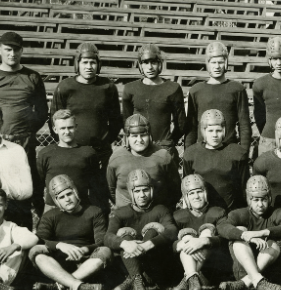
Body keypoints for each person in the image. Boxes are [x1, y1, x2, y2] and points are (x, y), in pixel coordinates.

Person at [0, 31, 49, 213]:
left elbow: (42, 111)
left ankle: (34, 228)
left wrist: (26, 129)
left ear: (22, 51)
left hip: (24, 142)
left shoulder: (33, 77)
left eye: (16, 50)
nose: (12, 54)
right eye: (7, 49)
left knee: (26, 187)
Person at [30, 175, 110, 290]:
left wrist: (85, 249)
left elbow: (101, 241)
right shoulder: (50, 215)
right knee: (35, 251)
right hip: (59, 262)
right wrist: (60, 245)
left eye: (69, 194)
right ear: (56, 201)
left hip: (86, 261)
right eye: (61, 197)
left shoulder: (94, 211)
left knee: (105, 251)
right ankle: (77, 286)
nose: (67, 199)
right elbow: (39, 240)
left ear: (76, 193)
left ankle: (60, 285)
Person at [106, 169, 180, 290]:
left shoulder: (160, 209)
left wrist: (148, 244)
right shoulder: (120, 213)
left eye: (145, 190)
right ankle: (138, 282)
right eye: (137, 191)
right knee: (125, 234)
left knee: (152, 230)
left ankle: (132, 281)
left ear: (151, 190)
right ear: (131, 193)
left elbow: (172, 230)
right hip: (128, 264)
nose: (142, 195)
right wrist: (125, 244)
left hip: (155, 266)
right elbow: (108, 237)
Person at [50, 42, 124, 172]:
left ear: (98, 64)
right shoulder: (65, 87)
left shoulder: (107, 87)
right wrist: (65, 144)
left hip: (100, 152)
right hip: (71, 150)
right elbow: (54, 119)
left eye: (92, 62)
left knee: (100, 189)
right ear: (77, 64)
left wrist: (104, 143)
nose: (89, 67)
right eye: (84, 62)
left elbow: (115, 120)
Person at [215, 176, 281, 290]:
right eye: (256, 200)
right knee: (239, 232)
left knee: (275, 240)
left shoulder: (277, 213)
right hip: (242, 269)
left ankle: (246, 282)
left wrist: (261, 233)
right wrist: (245, 235)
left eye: (263, 200)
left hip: (270, 271)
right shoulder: (238, 214)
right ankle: (257, 279)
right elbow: (222, 227)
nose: (260, 204)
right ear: (249, 199)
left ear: (269, 198)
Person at [121, 43, 186, 162]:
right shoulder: (130, 89)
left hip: (163, 150)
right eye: (146, 62)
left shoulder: (172, 88)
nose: (150, 67)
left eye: (154, 62)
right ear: (140, 65)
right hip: (138, 149)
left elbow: (181, 124)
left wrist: (168, 142)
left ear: (160, 63)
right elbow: (127, 122)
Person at [36, 109, 106, 215]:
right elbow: (38, 186)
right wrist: (41, 211)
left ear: (76, 127)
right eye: (62, 128)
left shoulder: (88, 153)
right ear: (55, 129)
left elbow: (96, 186)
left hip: (81, 208)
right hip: (54, 209)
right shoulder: (46, 154)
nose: (67, 132)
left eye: (70, 127)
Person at [184, 42, 252, 149]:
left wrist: (243, 152)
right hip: (203, 151)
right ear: (208, 64)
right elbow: (191, 128)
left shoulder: (236, 89)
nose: (217, 66)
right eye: (213, 62)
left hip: (229, 150)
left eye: (220, 62)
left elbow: (244, 125)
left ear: (225, 63)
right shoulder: (196, 90)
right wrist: (188, 154)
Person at [106, 113, 180, 209]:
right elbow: (110, 189)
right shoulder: (116, 158)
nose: (139, 140)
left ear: (150, 136)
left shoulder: (162, 156)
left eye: (143, 135)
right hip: (127, 215)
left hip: (156, 214)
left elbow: (175, 189)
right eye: (134, 136)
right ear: (127, 137)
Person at [182, 109, 251, 210]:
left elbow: (244, 187)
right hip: (203, 212)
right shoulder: (192, 154)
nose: (214, 135)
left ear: (224, 130)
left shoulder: (236, 153)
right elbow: (186, 187)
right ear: (203, 131)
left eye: (218, 130)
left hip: (230, 212)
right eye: (210, 131)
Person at [172, 174, 227, 290]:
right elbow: (170, 242)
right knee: (187, 237)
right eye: (191, 193)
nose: (196, 196)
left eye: (199, 192)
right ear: (186, 197)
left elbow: (224, 238)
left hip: (210, 268)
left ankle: (188, 279)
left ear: (205, 193)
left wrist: (204, 241)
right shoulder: (178, 216)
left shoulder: (218, 212)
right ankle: (192, 279)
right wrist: (182, 243)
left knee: (207, 232)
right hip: (185, 263)